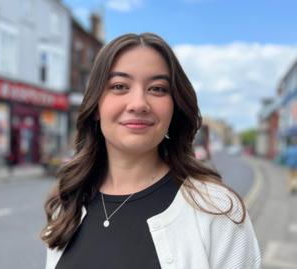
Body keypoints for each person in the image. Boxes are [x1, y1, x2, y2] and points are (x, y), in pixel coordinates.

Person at [41, 33, 261, 269]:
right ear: (96, 106)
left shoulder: (217, 211)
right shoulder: (69, 204)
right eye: (119, 86)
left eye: (157, 89)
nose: (138, 104)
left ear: (174, 107)